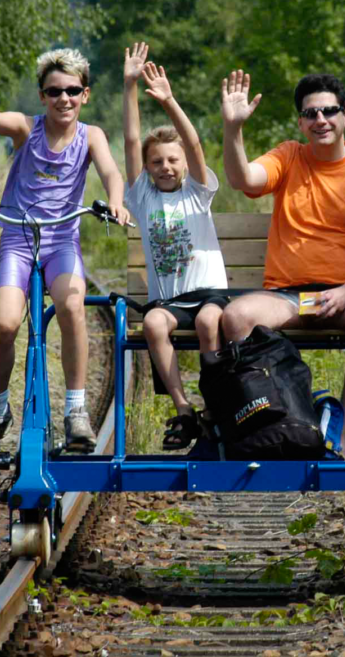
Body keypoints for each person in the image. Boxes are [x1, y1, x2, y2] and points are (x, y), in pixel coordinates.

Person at [0, 30, 131, 466]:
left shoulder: (91, 137)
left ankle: (76, 409)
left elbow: (112, 172)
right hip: (17, 238)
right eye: (54, 92)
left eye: (73, 91)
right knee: (5, 323)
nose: (64, 99)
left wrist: (115, 200)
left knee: (72, 307)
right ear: (43, 96)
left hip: (61, 239)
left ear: (85, 94)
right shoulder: (25, 128)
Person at [219, 69, 345, 458]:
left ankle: (340, 432)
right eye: (311, 114)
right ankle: (269, 423)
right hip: (289, 298)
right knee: (235, 317)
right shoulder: (288, 156)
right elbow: (244, 179)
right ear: (301, 122)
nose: (321, 120)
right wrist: (233, 129)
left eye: (330, 111)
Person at [122, 43, 229, 449]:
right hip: (169, 302)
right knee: (152, 324)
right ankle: (184, 410)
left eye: (172, 160)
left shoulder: (198, 192)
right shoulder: (143, 197)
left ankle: (215, 407)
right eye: (156, 162)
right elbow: (132, 140)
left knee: (207, 323)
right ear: (148, 168)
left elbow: (195, 142)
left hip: (208, 296)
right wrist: (130, 85)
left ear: (183, 164)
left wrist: (169, 101)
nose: (165, 167)